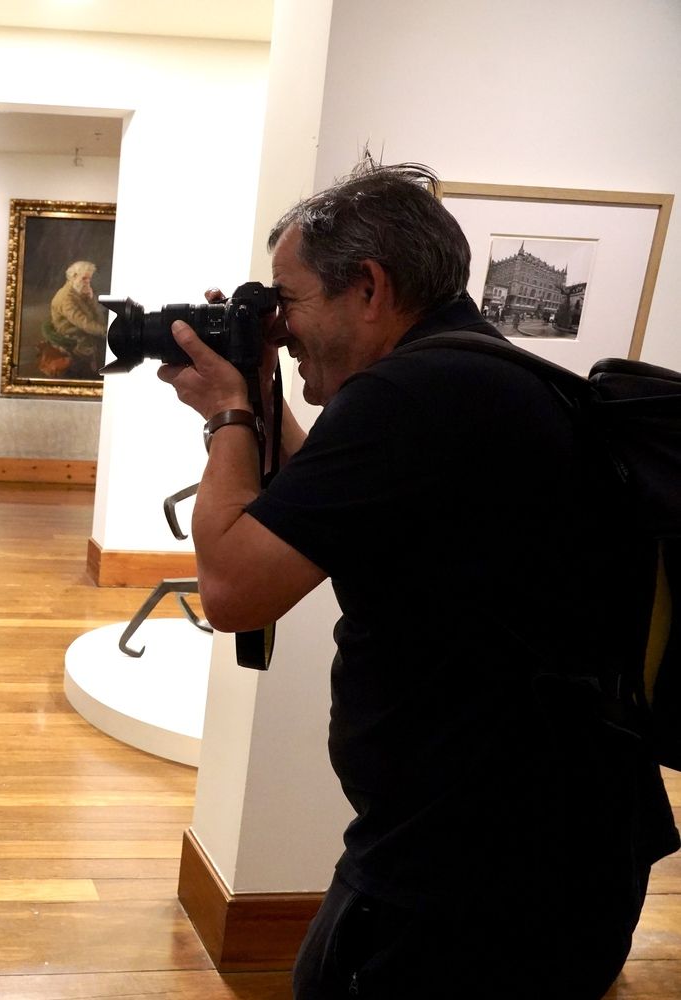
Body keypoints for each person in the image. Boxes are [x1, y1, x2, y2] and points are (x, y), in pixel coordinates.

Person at [157, 160, 677, 999]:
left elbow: (235, 589)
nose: (280, 331)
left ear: (367, 286)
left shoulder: (416, 395)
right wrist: (254, 389)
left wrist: (228, 414)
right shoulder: (468, 374)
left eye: (288, 302)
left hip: (480, 864)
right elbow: (315, 511)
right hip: (533, 834)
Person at [46, 259, 107, 377]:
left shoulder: (78, 290)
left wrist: (90, 298)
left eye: (89, 279)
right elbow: (83, 323)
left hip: (85, 329)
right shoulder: (66, 298)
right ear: (74, 277)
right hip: (74, 335)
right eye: (84, 278)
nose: (87, 282)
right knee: (103, 346)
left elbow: (95, 315)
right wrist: (104, 331)